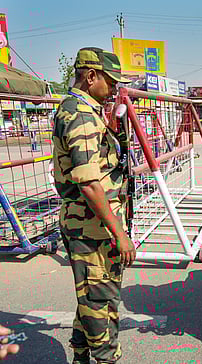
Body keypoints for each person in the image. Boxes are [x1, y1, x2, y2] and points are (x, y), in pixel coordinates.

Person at [52, 47, 136, 364]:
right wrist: (120, 234)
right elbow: (88, 182)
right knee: (101, 303)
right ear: (91, 77)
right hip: (91, 228)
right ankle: (102, 357)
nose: (114, 88)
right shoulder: (80, 115)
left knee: (91, 295)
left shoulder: (82, 110)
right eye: (110, 81)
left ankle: (80, 353)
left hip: (91, 225)